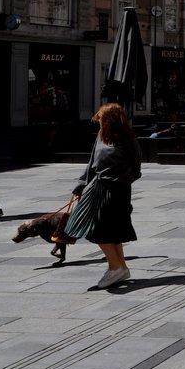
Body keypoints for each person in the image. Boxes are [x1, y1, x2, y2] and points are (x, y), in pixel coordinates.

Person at [71, 103, 142, 288]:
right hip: (99, 188)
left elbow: (136, 168)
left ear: (111, 121)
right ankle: (120, 268)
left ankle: (115, 268)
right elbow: (91, 163)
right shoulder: (101, 137)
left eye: (102, 119)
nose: (99, 123)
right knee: (108, 230)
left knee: (101, 230)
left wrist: (120, 180)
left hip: (117, 190)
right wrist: (80, 186)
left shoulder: (128, 140)